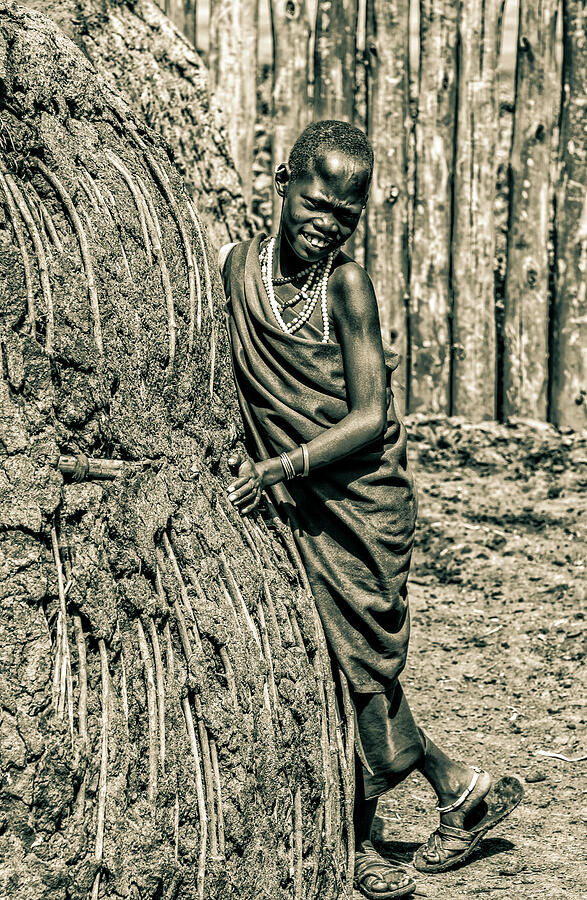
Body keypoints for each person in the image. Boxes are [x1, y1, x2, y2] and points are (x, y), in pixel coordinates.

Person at [220, 120, 522, 899]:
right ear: (281, 184)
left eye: (344, 215)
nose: (326, 225)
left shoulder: (347, 288)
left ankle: (360, 845)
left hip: (356, 501)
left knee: (355, 666)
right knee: (340, 665)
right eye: (315, 204)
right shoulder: (236, 269)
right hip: (294, 501)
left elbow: (368, 415)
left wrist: (278, 466)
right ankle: (458, 788)